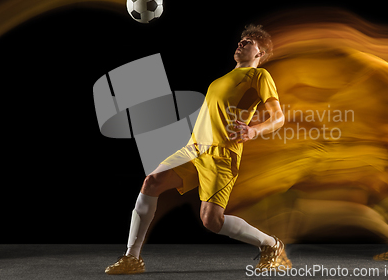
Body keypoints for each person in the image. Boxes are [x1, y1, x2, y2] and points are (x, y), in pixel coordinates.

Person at [105, 25, 291, 274]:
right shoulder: (219, 80)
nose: (241, 43)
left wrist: (253, 130)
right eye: (241, 40)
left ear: (260, 53)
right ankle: (132, 258)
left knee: (211, 221)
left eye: (249, 42)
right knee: (151, 182)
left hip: (221, 155)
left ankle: (270, 245)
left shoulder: (259, 77)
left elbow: (278, 118)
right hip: (193, 149)